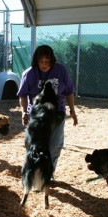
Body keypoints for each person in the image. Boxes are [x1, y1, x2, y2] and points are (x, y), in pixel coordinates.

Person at [17, 44, 78, 172]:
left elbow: (69, 92)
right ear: (37, 61)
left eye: (47, 61)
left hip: (57, 113)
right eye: (41, 62)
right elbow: (22, 95)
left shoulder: (61, 71)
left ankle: (49, 173)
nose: (44, 64)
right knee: (31, 144)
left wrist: (72, 110)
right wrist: (24, 112)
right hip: (36, 115)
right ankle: (31, 170)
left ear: (52, 60)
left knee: (54, 145)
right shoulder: (29, 74)